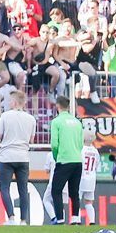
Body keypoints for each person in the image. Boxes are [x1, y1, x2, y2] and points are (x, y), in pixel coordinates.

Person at [0, 90, 36, 224]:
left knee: (4, 188)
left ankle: (11, 217)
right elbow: (31, 139)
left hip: (7, 156)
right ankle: (24, 220)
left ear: (14, 102)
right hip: (23, 156)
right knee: (23, 189)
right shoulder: (31, 118)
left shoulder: (6, 116)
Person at [48, 95, 85, 224]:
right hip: (77, 160)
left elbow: (54, 144)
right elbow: (81, 143)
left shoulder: (56, 122)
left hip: (64, 159)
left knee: (56, 190)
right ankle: (75, 218)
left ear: (57, 106)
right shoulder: (77, 122)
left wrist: (56, 156)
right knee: (74, 192)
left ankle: (60, 218)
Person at [79, 129, 100, 224]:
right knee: (89, 201)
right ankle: (92, 221)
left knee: (77, 200)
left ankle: (77, 220)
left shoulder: (81, 149)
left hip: (81, 177)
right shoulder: (95, 151)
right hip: (91, 178)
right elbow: (96, 165)